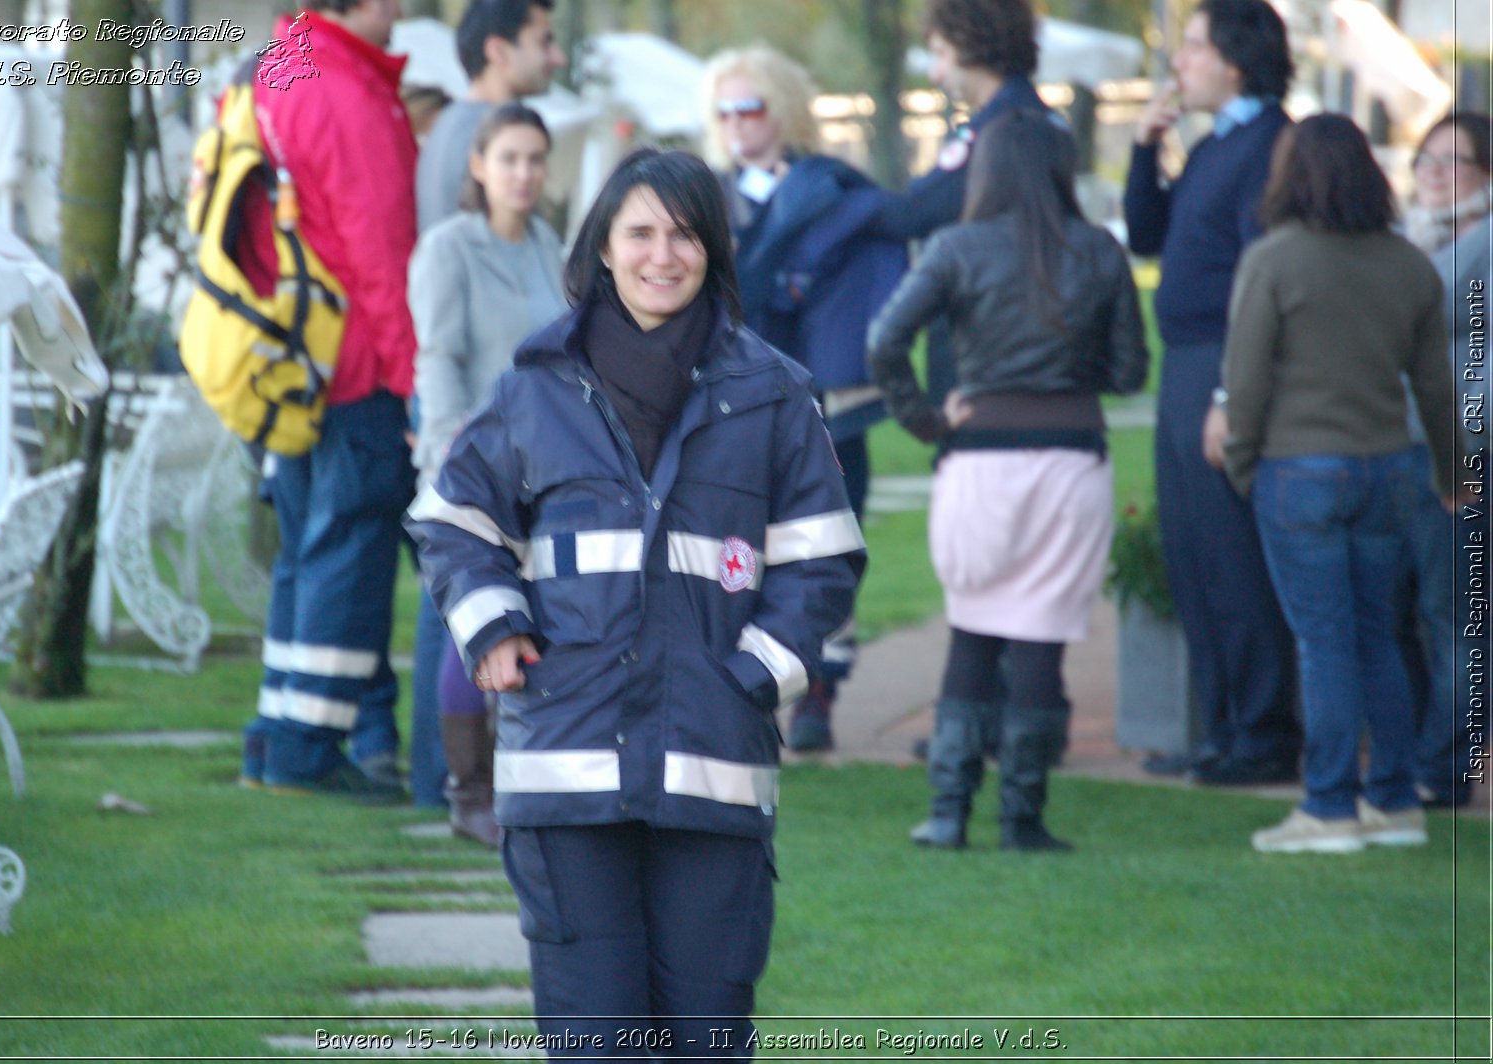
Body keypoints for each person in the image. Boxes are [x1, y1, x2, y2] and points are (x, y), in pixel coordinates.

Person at [407, 148, 864, 1052]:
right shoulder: (537, 385)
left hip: (713, 759)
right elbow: (453, 518)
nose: (664, 255)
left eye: (686, 234)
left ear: (715, 251)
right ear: (604, 249)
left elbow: (824, 560)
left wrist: (756, 677)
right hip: (565, 767)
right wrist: (493, 623)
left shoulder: (773, 394)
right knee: (597, 1042)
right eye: (641, 232)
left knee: (705, 1040)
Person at [703, 0, 1053, 751]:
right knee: (741, 548)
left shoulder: (836, 185)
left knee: (828, 543)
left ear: (783, 108)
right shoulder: (702, 197)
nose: (735, 122)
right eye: (723, 109)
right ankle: (746, 688)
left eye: (750, 105)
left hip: (829, 400)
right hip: (739, 400)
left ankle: (823, 690)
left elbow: (894, 233)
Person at [869, 108, 1148, 852]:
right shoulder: (1097, 251)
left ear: (984, 169)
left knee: (973, 624)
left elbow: (884, 339)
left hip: (979, 458)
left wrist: (926, 420)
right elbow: (1129, 372)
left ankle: (947, 812)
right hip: (1069, 457)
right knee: (1040, 639)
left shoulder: (956, 248)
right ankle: (1021, 819)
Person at [1214, 114, 1460, 853]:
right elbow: (1437, 389)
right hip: (1391, 468)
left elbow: (1245, 381)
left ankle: (1327, 806)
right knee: (1379, 635)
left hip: (1298, 470)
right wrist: (1454, 473)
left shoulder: (1273, 260)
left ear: (1291, 175)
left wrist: (1243, 464)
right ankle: (1392, 799)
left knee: (1323, 643)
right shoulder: (1408, 263)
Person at [239, 0, 418, 801]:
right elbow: (380, 250)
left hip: (291, 359)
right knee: (351, 546)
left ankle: (275, 739)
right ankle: (309, 750)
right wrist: (412, 378)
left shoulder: (282, 64)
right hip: (354, 361)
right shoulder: (346, 90)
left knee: (306, 552)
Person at [1122, 0, 1301, 786]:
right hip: (1183, 364)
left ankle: (1263, 736)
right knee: (1194, 557)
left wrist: (1232, 394)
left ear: (1236, 60)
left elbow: (1260, 283)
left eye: (1192, 48)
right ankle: (1222, 728)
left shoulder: (1271, 146)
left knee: (1233, 558)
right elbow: (1147, 236)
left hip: (1222, 365)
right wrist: (1143, 152)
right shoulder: (1212, 146)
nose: (1179, 63)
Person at [406, 103, 566, 842]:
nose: (524, 173)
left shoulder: (548, 246)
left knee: (523, 623)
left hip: (541, 466)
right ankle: (468, 794)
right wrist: (443, 458)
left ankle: (515, 777)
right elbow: (435, 357)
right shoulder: (448, 248)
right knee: (469, 623)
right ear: (478, 166)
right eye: (509, 158)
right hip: (466, 465)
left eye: (536, 159)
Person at [1399, 111, 1492, 809]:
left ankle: (1447, 763)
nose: (1432, 174)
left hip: (1463, 455)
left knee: (1457, 614)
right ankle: (1428, 751)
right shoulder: (1415, 240)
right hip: (1407, 447)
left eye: (1451, 161)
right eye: (1424, 160)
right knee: (1427, 610)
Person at [414, 0, 565, 233]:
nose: (558, 58)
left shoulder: (449, 124)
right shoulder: (483, 134)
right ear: (498, 51)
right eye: (544, 43)